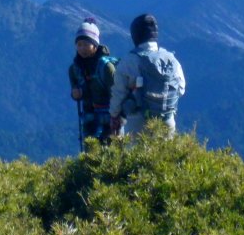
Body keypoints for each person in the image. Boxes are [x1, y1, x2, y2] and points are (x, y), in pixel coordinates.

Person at [109, 13, 186, 138]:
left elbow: (119, 93)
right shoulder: (171, 59)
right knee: (166, 150)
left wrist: (114, 115)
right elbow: (180, 89)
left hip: (137, 121)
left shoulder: (129, 61)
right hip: (167, 119)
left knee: (136, 150)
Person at [68, 17, 119, 146]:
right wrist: (75, 93)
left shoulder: (106, 67)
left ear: (95, 45)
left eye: (86, 44)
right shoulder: (74, 69)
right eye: (79, 45)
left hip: (109, 118)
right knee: (92, 150)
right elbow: (75, 88)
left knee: (110, 150)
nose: (82, 48)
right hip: (89, 118)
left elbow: (117, 93)